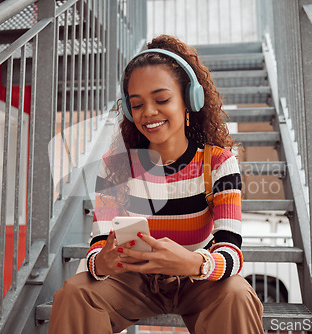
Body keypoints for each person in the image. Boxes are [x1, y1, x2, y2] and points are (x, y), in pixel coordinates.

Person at [49, 35, 263, 333]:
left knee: (237, 294)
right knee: (75, 293)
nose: (148, 112)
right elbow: (97, 248)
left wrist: (193, 264)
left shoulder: (218, 162)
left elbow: (231, 251)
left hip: (196, 278)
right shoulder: (116, 168)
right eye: (136, 105)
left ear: (190, 100)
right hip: (132, 282)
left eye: (161, 99)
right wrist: (104, 263)